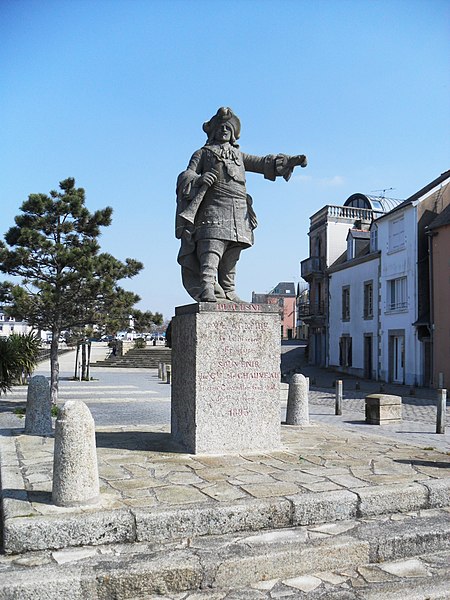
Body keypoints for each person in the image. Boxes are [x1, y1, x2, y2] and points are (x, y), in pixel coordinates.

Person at [176, 107, 307, 303]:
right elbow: (186, 175)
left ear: (233, 133)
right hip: (212, 209)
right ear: (213, 130)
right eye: (220, 127)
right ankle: (207, 287)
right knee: (212, 248)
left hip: (239, 210)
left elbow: (263, 163)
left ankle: (228, 289)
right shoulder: (202, 153)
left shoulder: (239, 156)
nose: (224, 131)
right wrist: (200, 178)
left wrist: (289, 161)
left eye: (228, 128)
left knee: (233, 252)